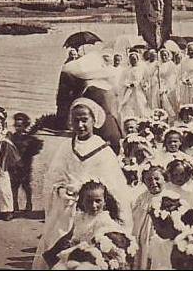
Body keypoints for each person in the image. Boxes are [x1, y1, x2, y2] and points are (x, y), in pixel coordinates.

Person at [33, 98, 132, 269]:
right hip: (67, 207)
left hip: (94, 208)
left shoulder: (103, 150)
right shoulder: (66, 147)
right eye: (76, 120)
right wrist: (62, 190)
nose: (80, 125)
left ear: (94, 120)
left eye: (84, 120)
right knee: (59, 246)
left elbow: (114, 185)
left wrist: (90, 191)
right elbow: (53, 178)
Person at [132, 164, 166, 269]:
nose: (153, 182)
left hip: (160, 235)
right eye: (149, 180)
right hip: (143, 234)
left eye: (157, 179)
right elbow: (136, 217)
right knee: (144, 257)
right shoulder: (142, 197)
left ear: (164, 179)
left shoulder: (168, 196)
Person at [10, 112, 43, 212]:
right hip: (14, 166)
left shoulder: (29, 139)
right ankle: (14, 205)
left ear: (25, 126)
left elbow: (35, 150)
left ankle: (29, 203)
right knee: (14, 186)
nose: (17, 128)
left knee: (26, 186)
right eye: (16, 125)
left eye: (20, 126)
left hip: (25, 166)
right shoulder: (12, 137)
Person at [0, 115, 18, 221]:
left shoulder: (4, 141)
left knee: (4, 190)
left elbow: (11, 155)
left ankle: (8, 211)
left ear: (2, 129)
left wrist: (3, 166)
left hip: (2, 168)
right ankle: (1, 209)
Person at [120, 52, 149, 120]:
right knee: (129, 105)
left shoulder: (142, 69)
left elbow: (146, 79)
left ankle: (142, 119)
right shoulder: (126, 70)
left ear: (137, 59)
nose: (133, 61)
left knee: (141, 104)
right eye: (131, 59)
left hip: (139, 89)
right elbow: (122, 81)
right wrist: (128, 84)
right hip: (129, 90)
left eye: (134, 59)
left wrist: (144, 85)